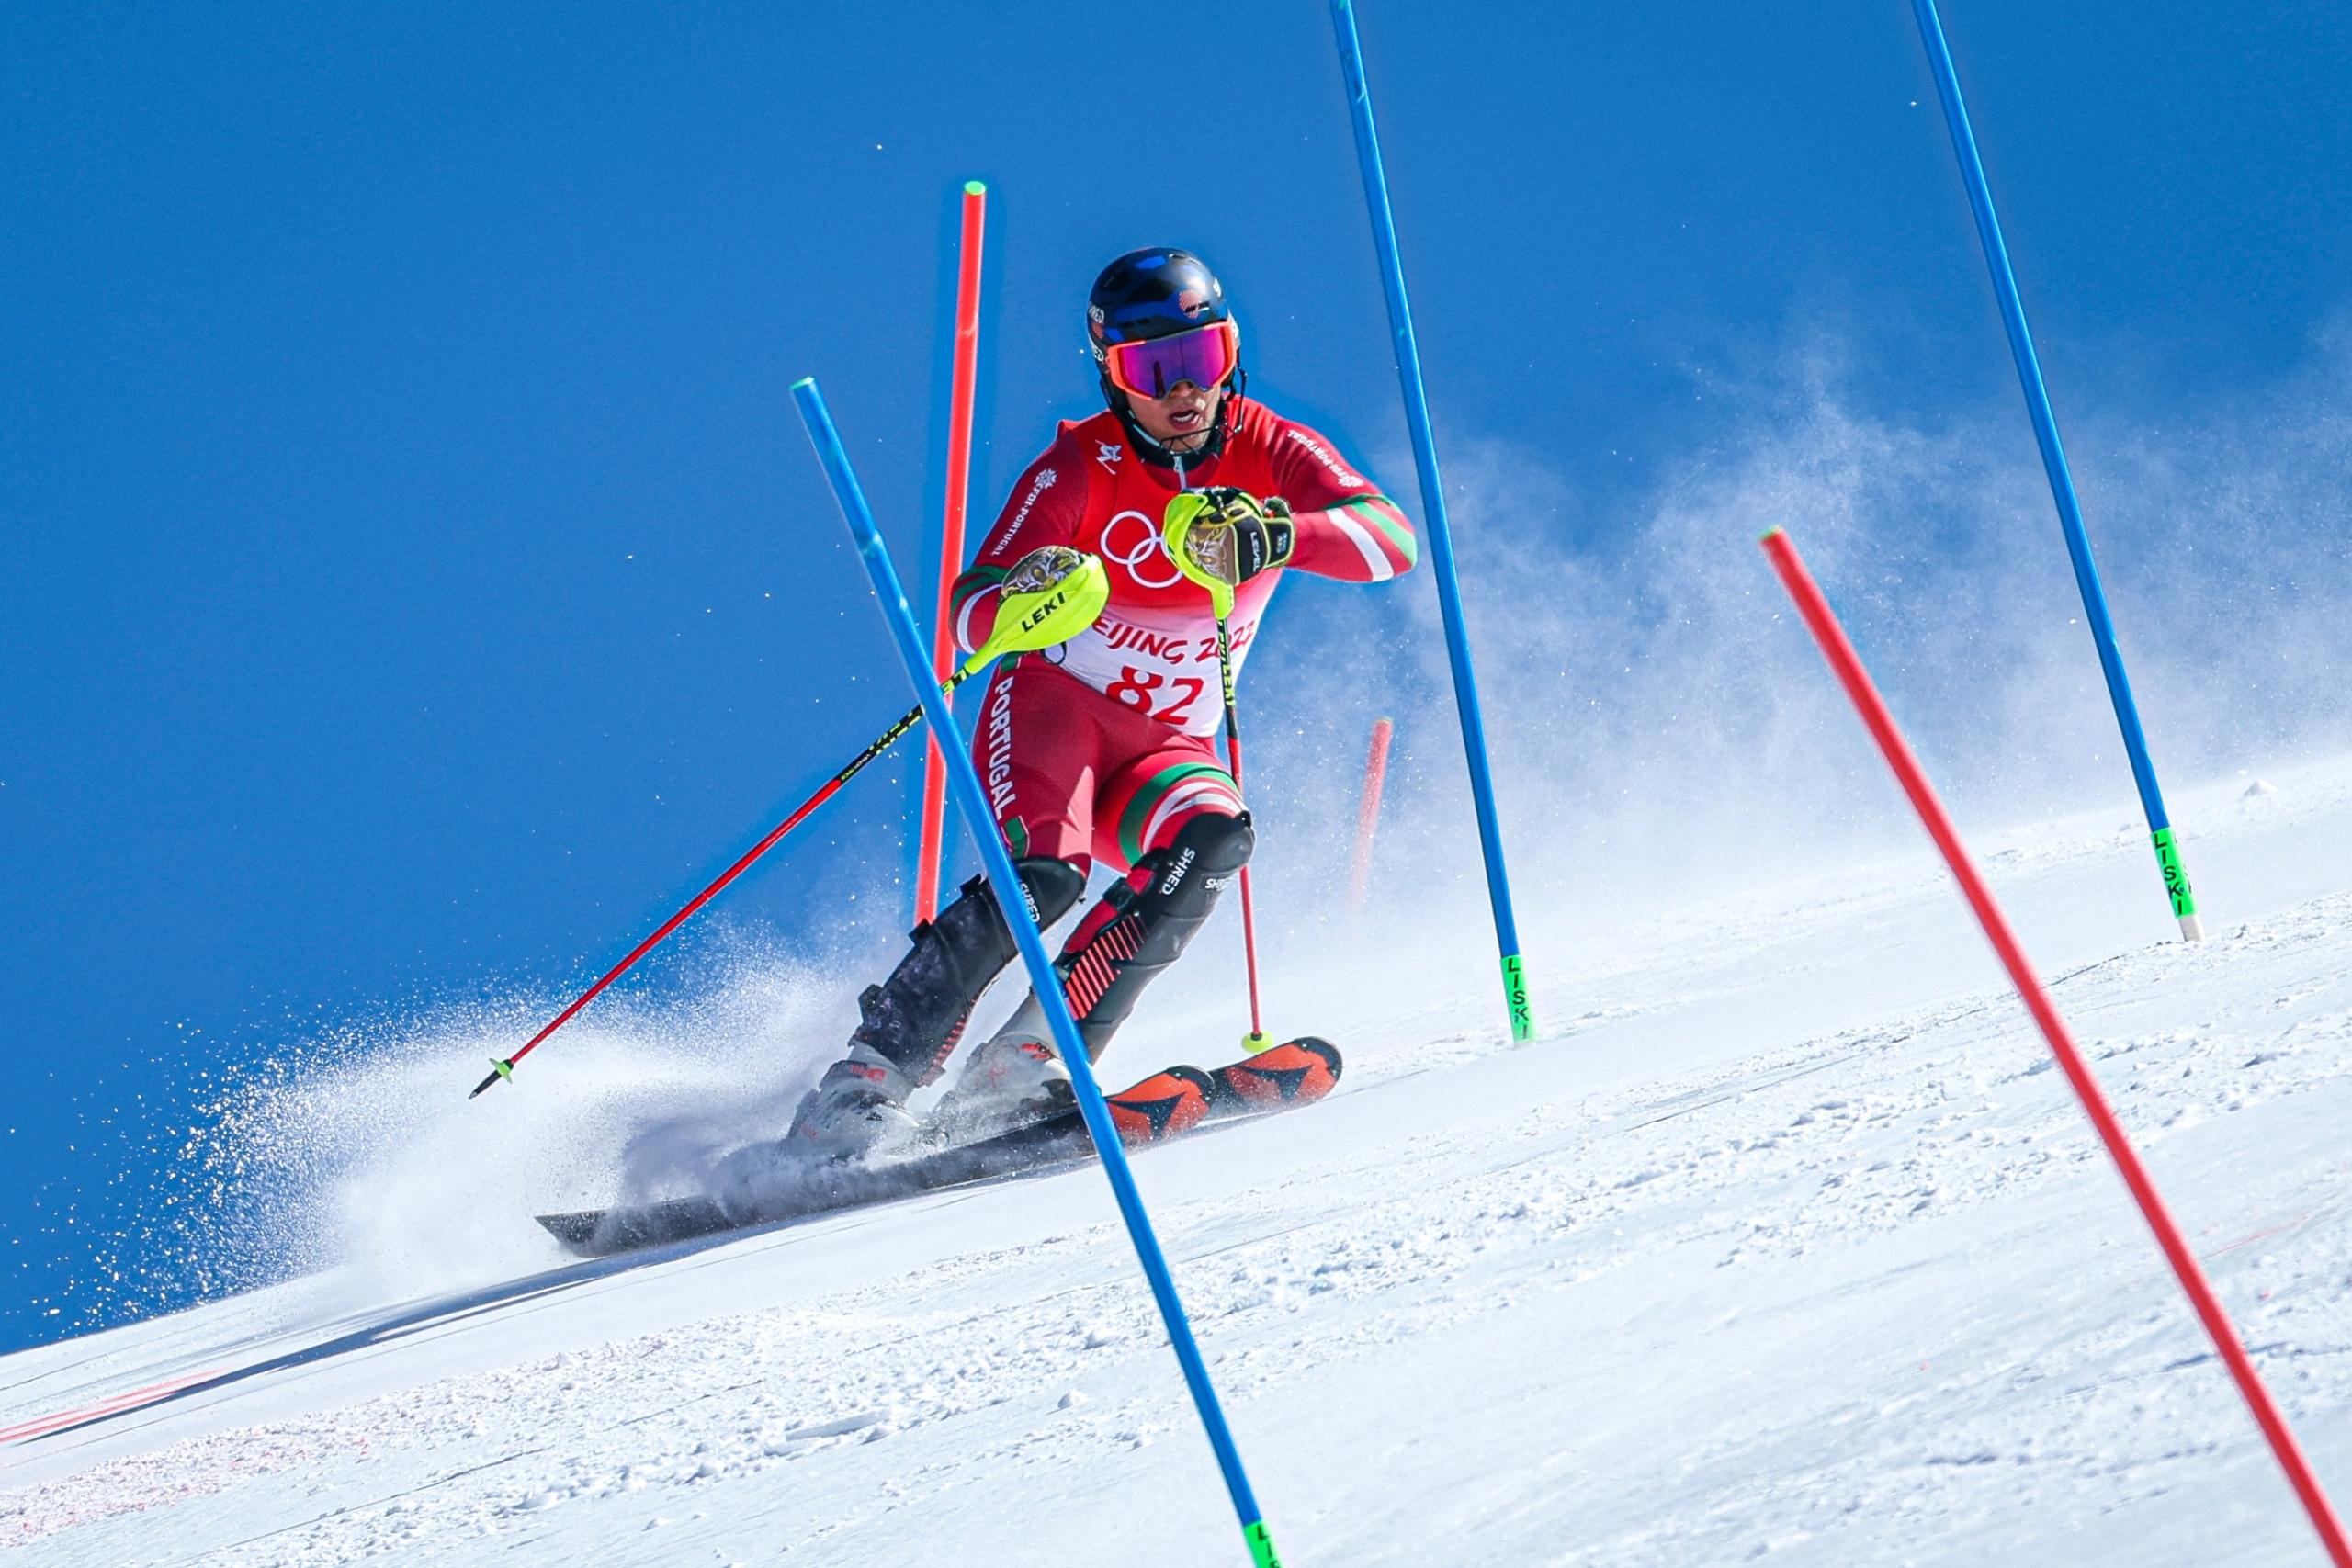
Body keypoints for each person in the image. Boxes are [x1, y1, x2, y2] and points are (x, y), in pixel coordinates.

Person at [786, 246, 1418, 1153]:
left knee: (1212, 837)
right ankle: (859, 1086)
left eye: (1200, 360)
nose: (1182, 392)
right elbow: (970, 609)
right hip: (1058, 711)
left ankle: (1019, 1071)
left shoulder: (1272, 448)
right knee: (1042, 877)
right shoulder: (1077, 466)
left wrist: (1276, 530)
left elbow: (1389, 539)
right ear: (1112, 375)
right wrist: (1026, 596)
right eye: (1150, 370)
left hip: (1166, 740)